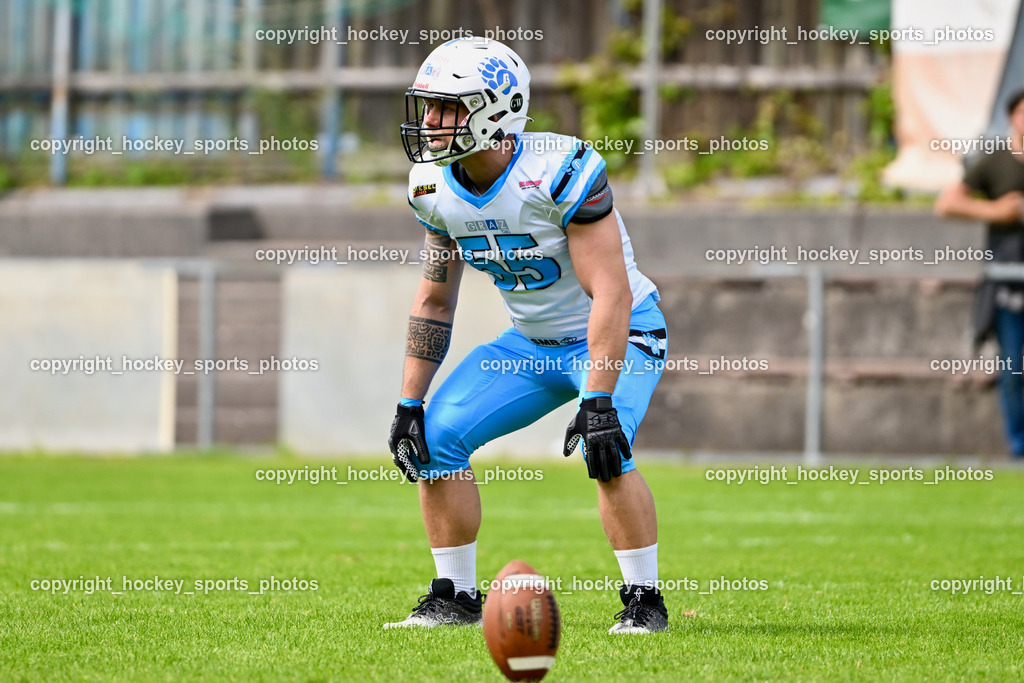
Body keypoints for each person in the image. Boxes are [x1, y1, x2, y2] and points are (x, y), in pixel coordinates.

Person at [383, 37, 670, 633]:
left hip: (620, 331)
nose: (431, 124)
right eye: (428, 107)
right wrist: (410, 401)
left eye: (448, 108)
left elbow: (610, 293)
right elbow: (434, 299)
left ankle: (644, 602)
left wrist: (596, 399)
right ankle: (454, 596)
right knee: (435, 438)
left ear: (497, 109)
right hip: (529, 345)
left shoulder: (557, 172)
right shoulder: (432, 187)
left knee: (607, 446)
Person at [935, 87, 1024, 458]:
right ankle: (1020, 447)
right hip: (1008, 284)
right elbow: (946, 203)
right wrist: (998, 212)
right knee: (1014, 370)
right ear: (1013, 117)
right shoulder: (996, 161)